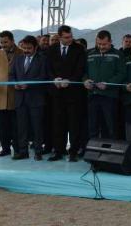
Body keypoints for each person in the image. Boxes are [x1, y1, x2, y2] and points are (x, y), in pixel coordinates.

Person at [46, 25, 87, 162]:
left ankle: (73, 151)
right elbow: (48, 68)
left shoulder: (79, 49)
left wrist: (70, 80)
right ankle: (59, 151)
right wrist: (54, 79)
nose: (70, 39)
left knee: (74, 123)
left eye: (71, 36)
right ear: (59, 37)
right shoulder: (51, 49)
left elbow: (81, 69)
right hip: (57, 93)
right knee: (58, 123)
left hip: (74, 93)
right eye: (66, 37)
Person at [10, 35, 48, 161]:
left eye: (29, 48)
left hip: (36, 100)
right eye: (24, 48)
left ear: (35, 47)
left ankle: (38, 151)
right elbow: (11, 75)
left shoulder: (42, 60)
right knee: (22, 127)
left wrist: (29, 84)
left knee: (37, 127)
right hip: (20, 99)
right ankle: (23, 152)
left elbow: (43, 77)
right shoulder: (18, 59)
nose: (26, 50)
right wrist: (14, 84)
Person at [83, 30, 126, 143]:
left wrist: (108, 84)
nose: (101, 47)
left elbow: (122, 73)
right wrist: (85, 80)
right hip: (92, 95)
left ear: (110, 41)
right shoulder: (89, 54)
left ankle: (109, 150)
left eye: (104, 44)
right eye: (99, 44)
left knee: (110, 127)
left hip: (109, 96)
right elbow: (84, 72)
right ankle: (93, 150)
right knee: (92, 126)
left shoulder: (118, 54)